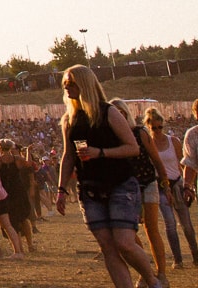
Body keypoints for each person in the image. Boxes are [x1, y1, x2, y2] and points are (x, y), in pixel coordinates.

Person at [55, 64, 159, 288]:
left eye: (70, 83)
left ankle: (153, 281)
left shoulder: (108, 112)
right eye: (64, 84)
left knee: (124, 243)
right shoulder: (69, 120)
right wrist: (61, 189)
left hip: (120, 185)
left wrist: (100, 153)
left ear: (84, 84)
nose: (66, 87)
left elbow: (133, 148)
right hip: (90, 188)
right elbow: (68, 155)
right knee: (108, 248)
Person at [113, 98, 171, 286]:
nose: (118, 115)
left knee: (151, 228)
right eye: (114, 112)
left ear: (126, 113)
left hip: (148, 183)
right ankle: (145, 269)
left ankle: (161, 273)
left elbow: (156, 159)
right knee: (128, 233)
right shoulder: (111, 139)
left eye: (121, 112)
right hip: (127, 188)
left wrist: (166, 185)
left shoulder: (139, 132)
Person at [149, 106, 198, 266]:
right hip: (161, 187)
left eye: (159, 127)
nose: (157, 130)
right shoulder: (148, 144)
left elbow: (184, 164)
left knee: (187, 225)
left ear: (163, 125)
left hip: (177, 184)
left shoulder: (173, 141)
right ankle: (178, 260)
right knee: (170, 224)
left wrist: (186, 185)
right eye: (153, 127)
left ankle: (196, 256)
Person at [0, 139, 36, 255]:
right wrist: (28, 151)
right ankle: (29, 245)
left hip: (5, 193)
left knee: (11, 222)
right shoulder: (16, 159)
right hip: (18, 192)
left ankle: (19, 249)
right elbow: (28, 164)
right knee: (23, 218)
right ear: (10, 148)